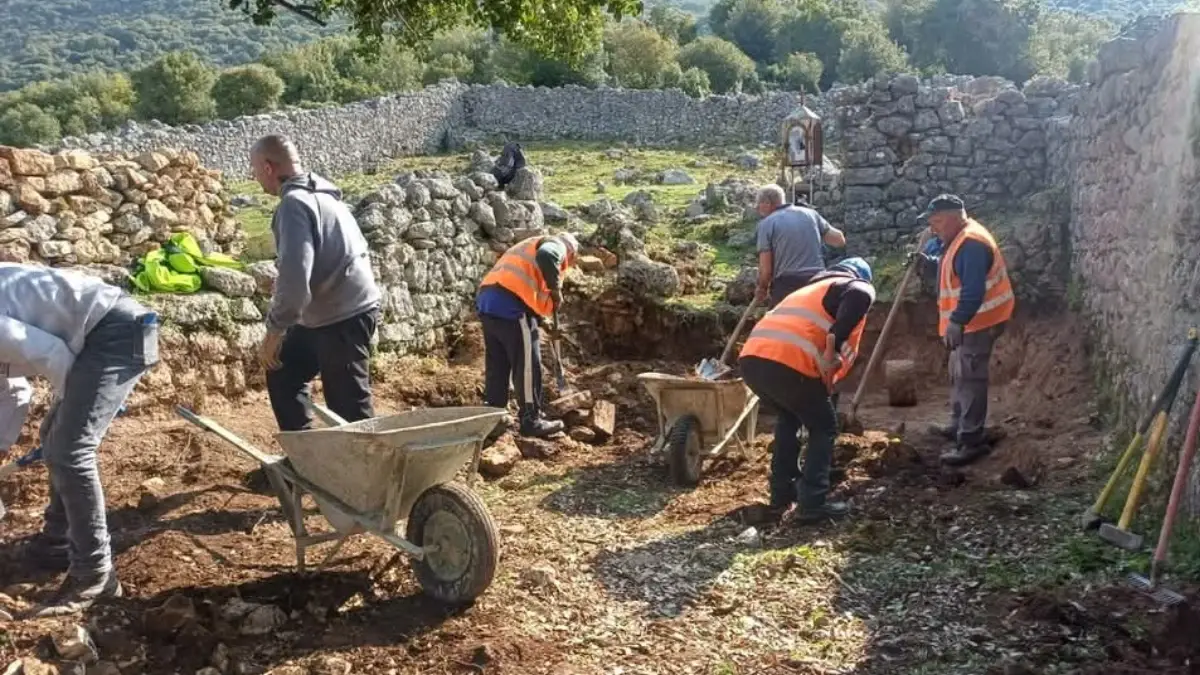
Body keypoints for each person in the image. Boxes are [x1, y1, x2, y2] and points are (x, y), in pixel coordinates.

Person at [0, 263, 159, 616]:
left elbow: (51, 355)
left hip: (115, 330)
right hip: (96, 334)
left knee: (70, 451)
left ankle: (95, 575)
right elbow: (12, 389)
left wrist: (78, 407)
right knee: (53, 438)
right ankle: (58, 542)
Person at [249, 134, 382, 438]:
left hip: (341, 318)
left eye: (255, 169)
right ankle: (309, 459)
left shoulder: (293, 205)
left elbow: (296, 285)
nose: (254, 177)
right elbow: (315, 262)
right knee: (283, 370)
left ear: (268, 167)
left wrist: (274, 331)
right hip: (336, 310)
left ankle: (369, 479)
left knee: (350, 412)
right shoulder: (323, 194)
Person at [739, 257, 876, 523]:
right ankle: (812, 503)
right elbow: (861, 294)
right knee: (824, 426)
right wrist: (833, 348)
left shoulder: (807, 292)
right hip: (788, 363)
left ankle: (782, 494)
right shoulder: (853, 284)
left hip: (752, 360)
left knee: (790, 419)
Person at [912, 194, 1015, 466]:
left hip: (979, 320)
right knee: (958, 372)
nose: (934, 229)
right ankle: (958, 424)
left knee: (970, 378)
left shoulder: (970, 243)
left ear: (957, 218)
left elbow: (972, 289)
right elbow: (953, 271)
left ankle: (971, 441)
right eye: (931, 223)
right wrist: (930, 264)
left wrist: (958, 320)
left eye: (938, 222)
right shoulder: (957, 240)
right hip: (969, 320)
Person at [476, 232, 579, 439]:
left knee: (498, 363)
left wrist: (542, 321)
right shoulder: (556, 245)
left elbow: (522, 286)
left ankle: (493, 417)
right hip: (511, 308)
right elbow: (547, 255)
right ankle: (531, 420)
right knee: (527, 365)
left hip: (488, 302)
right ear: (571, 253)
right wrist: (556, 289)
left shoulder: (526, 247)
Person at [754, 184, 846, 308]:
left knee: (785, 326)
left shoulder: (767, 224)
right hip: (817, 281)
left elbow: (766, 270)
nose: (757, 209)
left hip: (787, 285)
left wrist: (762, 288)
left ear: (767, 203)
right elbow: (839, 240)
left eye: (758, 204)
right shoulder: (810, 214)